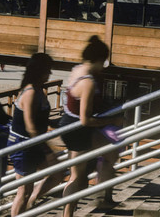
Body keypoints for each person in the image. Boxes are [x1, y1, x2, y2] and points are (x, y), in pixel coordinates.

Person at [59, 35, 124, 216]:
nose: (103, 67)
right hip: (78, 130)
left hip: (70, 125)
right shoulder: (87, 82)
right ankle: (100, 197)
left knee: (78, 174)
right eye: (102, 62)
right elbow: (85, 119)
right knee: (79, 176)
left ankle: (98, 195)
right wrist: (112, 121)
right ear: (98, 60)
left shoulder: (77, 69)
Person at [7, 53, 64, 216]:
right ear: (40, 71)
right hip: (23, 145)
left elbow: (40, 120)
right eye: (48, 70)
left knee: (58, 173)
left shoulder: (38, 90)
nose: (50, 74)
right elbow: (31, 127)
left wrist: (56, 123)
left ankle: (32, 202)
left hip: (34, 143)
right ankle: (26, 205)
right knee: (24, 190)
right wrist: (48, 151)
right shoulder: (30, 92)